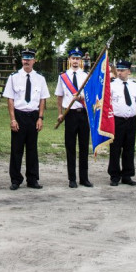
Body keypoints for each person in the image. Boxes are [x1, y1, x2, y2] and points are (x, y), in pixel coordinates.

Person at [3, 48, 49, 190]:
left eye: (29, 58)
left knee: (32, 149)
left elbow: (42, 100)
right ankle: (15, 179)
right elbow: (10, 99)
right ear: (21, 60)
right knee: (16, 149)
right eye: (24, 58)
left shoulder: (40, 78)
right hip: (19, 115)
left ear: (34, 61)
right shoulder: (14, 77)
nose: (26, 61)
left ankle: (32, 179)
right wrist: (13, 119)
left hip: (33, 116)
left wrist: (40, 118)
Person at [55, 47, 91, 188]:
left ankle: (84, 178)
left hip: (83, 114)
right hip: (69, 115)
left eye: (78, 58)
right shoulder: (63, 77)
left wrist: (82, 97)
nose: (75, 61)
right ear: (69, 60)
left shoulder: (86, 76)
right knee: (70, 147)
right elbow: (59, 96)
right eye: (73, 58)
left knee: (83, 147)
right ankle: (72, 179)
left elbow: (91, 97)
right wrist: (60, 113)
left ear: (80, 60)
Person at [108, 59, 136, 186]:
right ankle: (114, 175)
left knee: (129, 149)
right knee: (115, 149)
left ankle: (127, 175)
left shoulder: (134, 86)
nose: (120, 73)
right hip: (117, 120)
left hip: (130, 120)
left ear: (129, 71)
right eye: (118, 70)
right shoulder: (111, 85)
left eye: (123, 70)